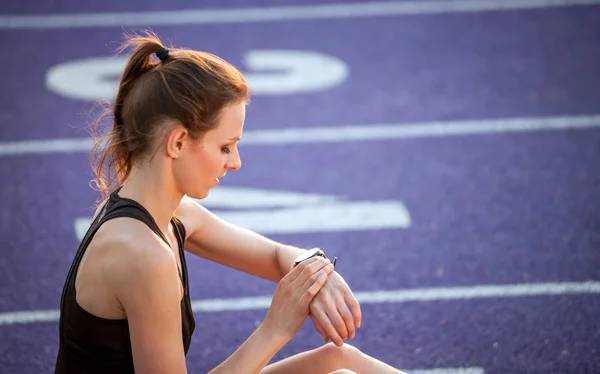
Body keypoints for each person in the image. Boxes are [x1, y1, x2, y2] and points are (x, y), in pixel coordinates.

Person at [55, 31, 405, 374]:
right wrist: (274, 329)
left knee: (338, 359)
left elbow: (274, 256)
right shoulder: (142, 255)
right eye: (225, 146)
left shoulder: (166, 214)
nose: (235, 162)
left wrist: (314, 269)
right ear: (177, 143)